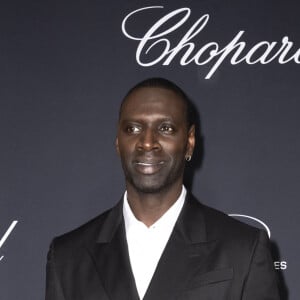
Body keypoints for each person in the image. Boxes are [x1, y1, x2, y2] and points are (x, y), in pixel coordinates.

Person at [45, 78, 280, 300]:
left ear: (189, 142)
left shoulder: (242, 248)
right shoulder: (68, 256)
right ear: (118, 141)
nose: (147, 142)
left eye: (166, 128)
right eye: (133, 129)